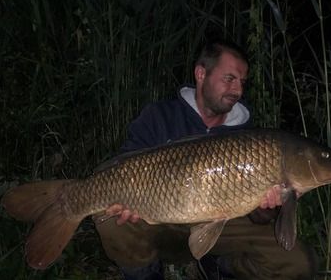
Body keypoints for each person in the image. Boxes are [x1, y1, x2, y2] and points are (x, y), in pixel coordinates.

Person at [94, 40, 318, 280]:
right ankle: (147, 274)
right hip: (160, 221)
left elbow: (258, 218)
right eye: (229, 79)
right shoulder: (159, 116)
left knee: (298, 263)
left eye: (242, 82)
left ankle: (221, 266)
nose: (238, 91)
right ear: (201, 74)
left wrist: (268, 207)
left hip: (222, 227)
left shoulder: (248, 137)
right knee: (109, 221)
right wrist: (125, 202)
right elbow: (124, 168)